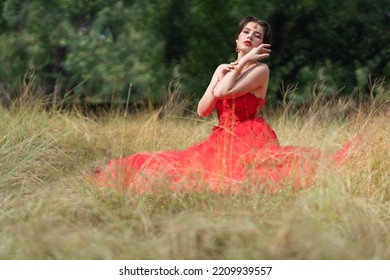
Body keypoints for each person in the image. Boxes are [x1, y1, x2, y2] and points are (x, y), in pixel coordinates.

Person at [94, 16, 350, 193]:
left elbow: (224, 91)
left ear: (261, 46)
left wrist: (241, 63)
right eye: (246, 32)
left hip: (250, 136)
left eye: (257, 35)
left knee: (237, 177)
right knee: (183, 167)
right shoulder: (224, 68)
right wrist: (222, 70)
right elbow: (203, 109)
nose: (250, 36)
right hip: (222, 136)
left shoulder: (260, 70)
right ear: (237, 39)